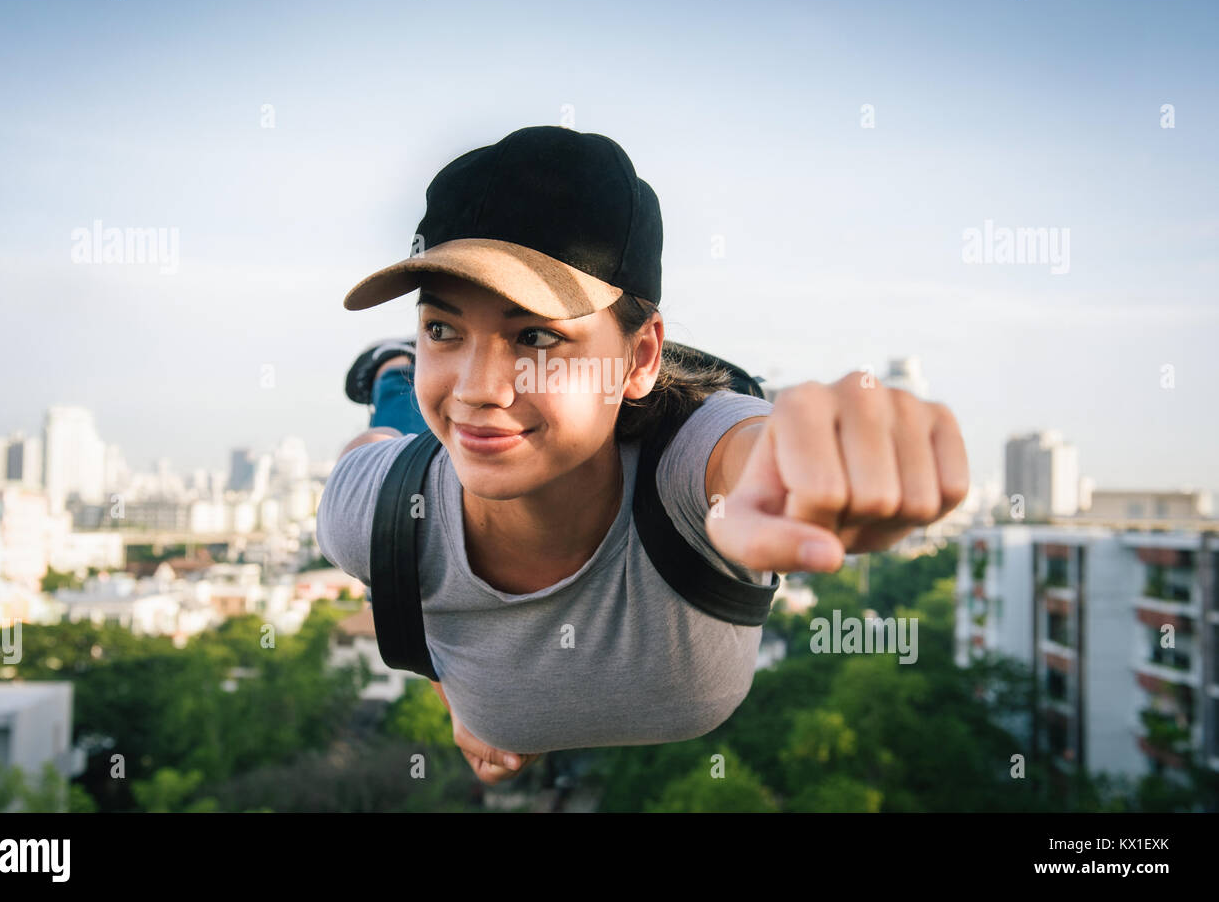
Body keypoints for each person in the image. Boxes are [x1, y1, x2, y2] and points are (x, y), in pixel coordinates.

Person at [317, 126, 969, 785]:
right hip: (406, 462)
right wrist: (458, 691)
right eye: (442, 327)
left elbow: (743, 456)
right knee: (393, 433)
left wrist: (803, 462)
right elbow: (402, 540)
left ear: (641, 356)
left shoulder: (691, 464)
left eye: (537, 335)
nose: (479, 387)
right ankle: (396, 372)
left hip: (654, 409)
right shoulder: (369, 515)